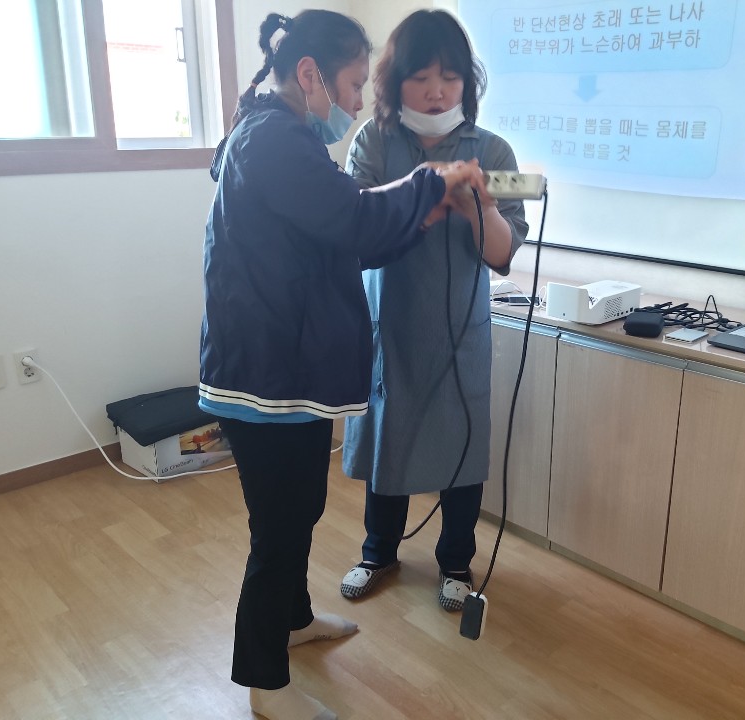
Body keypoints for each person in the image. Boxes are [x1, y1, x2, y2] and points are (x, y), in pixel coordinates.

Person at [199, 10, 489, 720]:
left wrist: (418, 210)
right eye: (355, 84)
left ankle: (293, 621)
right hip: (263, 377)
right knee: (278, 532)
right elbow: (355, 218)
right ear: (310, 75)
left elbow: (347, 234)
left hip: (283, 376)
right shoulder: (272, 140)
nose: (358, 101)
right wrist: (433, 182)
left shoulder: (285, 134)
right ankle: (265, 684)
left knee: (299, 511)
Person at [339, 10, 528, 613]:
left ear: (467, 83)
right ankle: (378, 551)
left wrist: (479, 208)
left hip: (459, 331)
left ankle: (455, 563)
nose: (436, 91)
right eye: (421, 77)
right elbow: (354, 223)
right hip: (390, 325)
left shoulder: (490, 150)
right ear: (395, 82)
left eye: (449, 77)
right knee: (388, 440)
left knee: (462, 447)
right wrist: (420, 192)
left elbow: (501, 255)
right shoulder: (373, 141)